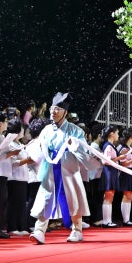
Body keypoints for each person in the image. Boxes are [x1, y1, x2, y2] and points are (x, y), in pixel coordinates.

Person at [30, 92, 96, 244]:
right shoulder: (46, 130)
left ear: (65, 112)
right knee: (46, 198)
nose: (53, 112)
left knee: (72, 199)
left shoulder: (75, 130)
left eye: (57, 109)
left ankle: (77, 230)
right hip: (50, 169)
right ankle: (39, 230)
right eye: (52, 108)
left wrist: (74, 147)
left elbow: (82, 151)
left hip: (69, 170)